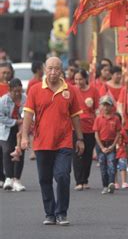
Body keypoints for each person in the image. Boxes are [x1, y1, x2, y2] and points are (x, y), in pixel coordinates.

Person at [20, 57, 85, 226]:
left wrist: (80, 139)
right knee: (45, 179)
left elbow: (75, 116)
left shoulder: (70, 90)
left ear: (61, 70)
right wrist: (25, 137)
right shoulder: (34, 90)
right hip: (42, 142)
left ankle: (61, 213)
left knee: (63, 176)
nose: (53, 72)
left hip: (64, 141)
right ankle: (50, 213)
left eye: (56, 68)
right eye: (50, 68)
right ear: (44, 69)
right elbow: (28, 114)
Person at [73, 69, 100, 191]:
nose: (78, 82)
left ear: (85, 79)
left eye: (80, 79)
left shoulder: (93, 90)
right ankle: (79, 181)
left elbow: (97, 109)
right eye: (76, 79)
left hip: (90, 127)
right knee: (77, 153)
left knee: (88, 154)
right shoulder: (72, 90)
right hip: (75, 126)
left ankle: (85, 180)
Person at [0, 78, 26, 191]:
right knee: (7, 151)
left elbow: (29, 112)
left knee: (20, 151)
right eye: (15, 91)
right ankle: (9, 178)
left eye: (20, 91)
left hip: (21, 128)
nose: (17, 94)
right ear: (9, 90)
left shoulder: (25, 98)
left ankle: (17, 179)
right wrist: (15, 122)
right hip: (6, 129)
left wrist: (23, 121)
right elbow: (1, 117)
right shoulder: (4, 100)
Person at [94, 95, 121, 194]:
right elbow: (96, 134)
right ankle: (105, 185)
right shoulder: (98, 119)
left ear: (111, 106)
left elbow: (118, 133)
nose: (106, 107)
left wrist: (113, 146)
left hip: (111, 144)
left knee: (111, 164)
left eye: (108, 105)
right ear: (101, 106)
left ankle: (111, 183)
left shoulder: (116, 119)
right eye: (104, 105)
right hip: (101, 144)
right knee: (103, 166)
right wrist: (101, 147)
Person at [114, 113, 128, 189]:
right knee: (113, 168)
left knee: (123, 167)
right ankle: (115, 182)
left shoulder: (122, 130)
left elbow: (127, 142)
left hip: (122, 151)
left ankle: (124, 182)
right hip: (113, 151)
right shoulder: (110, 129)